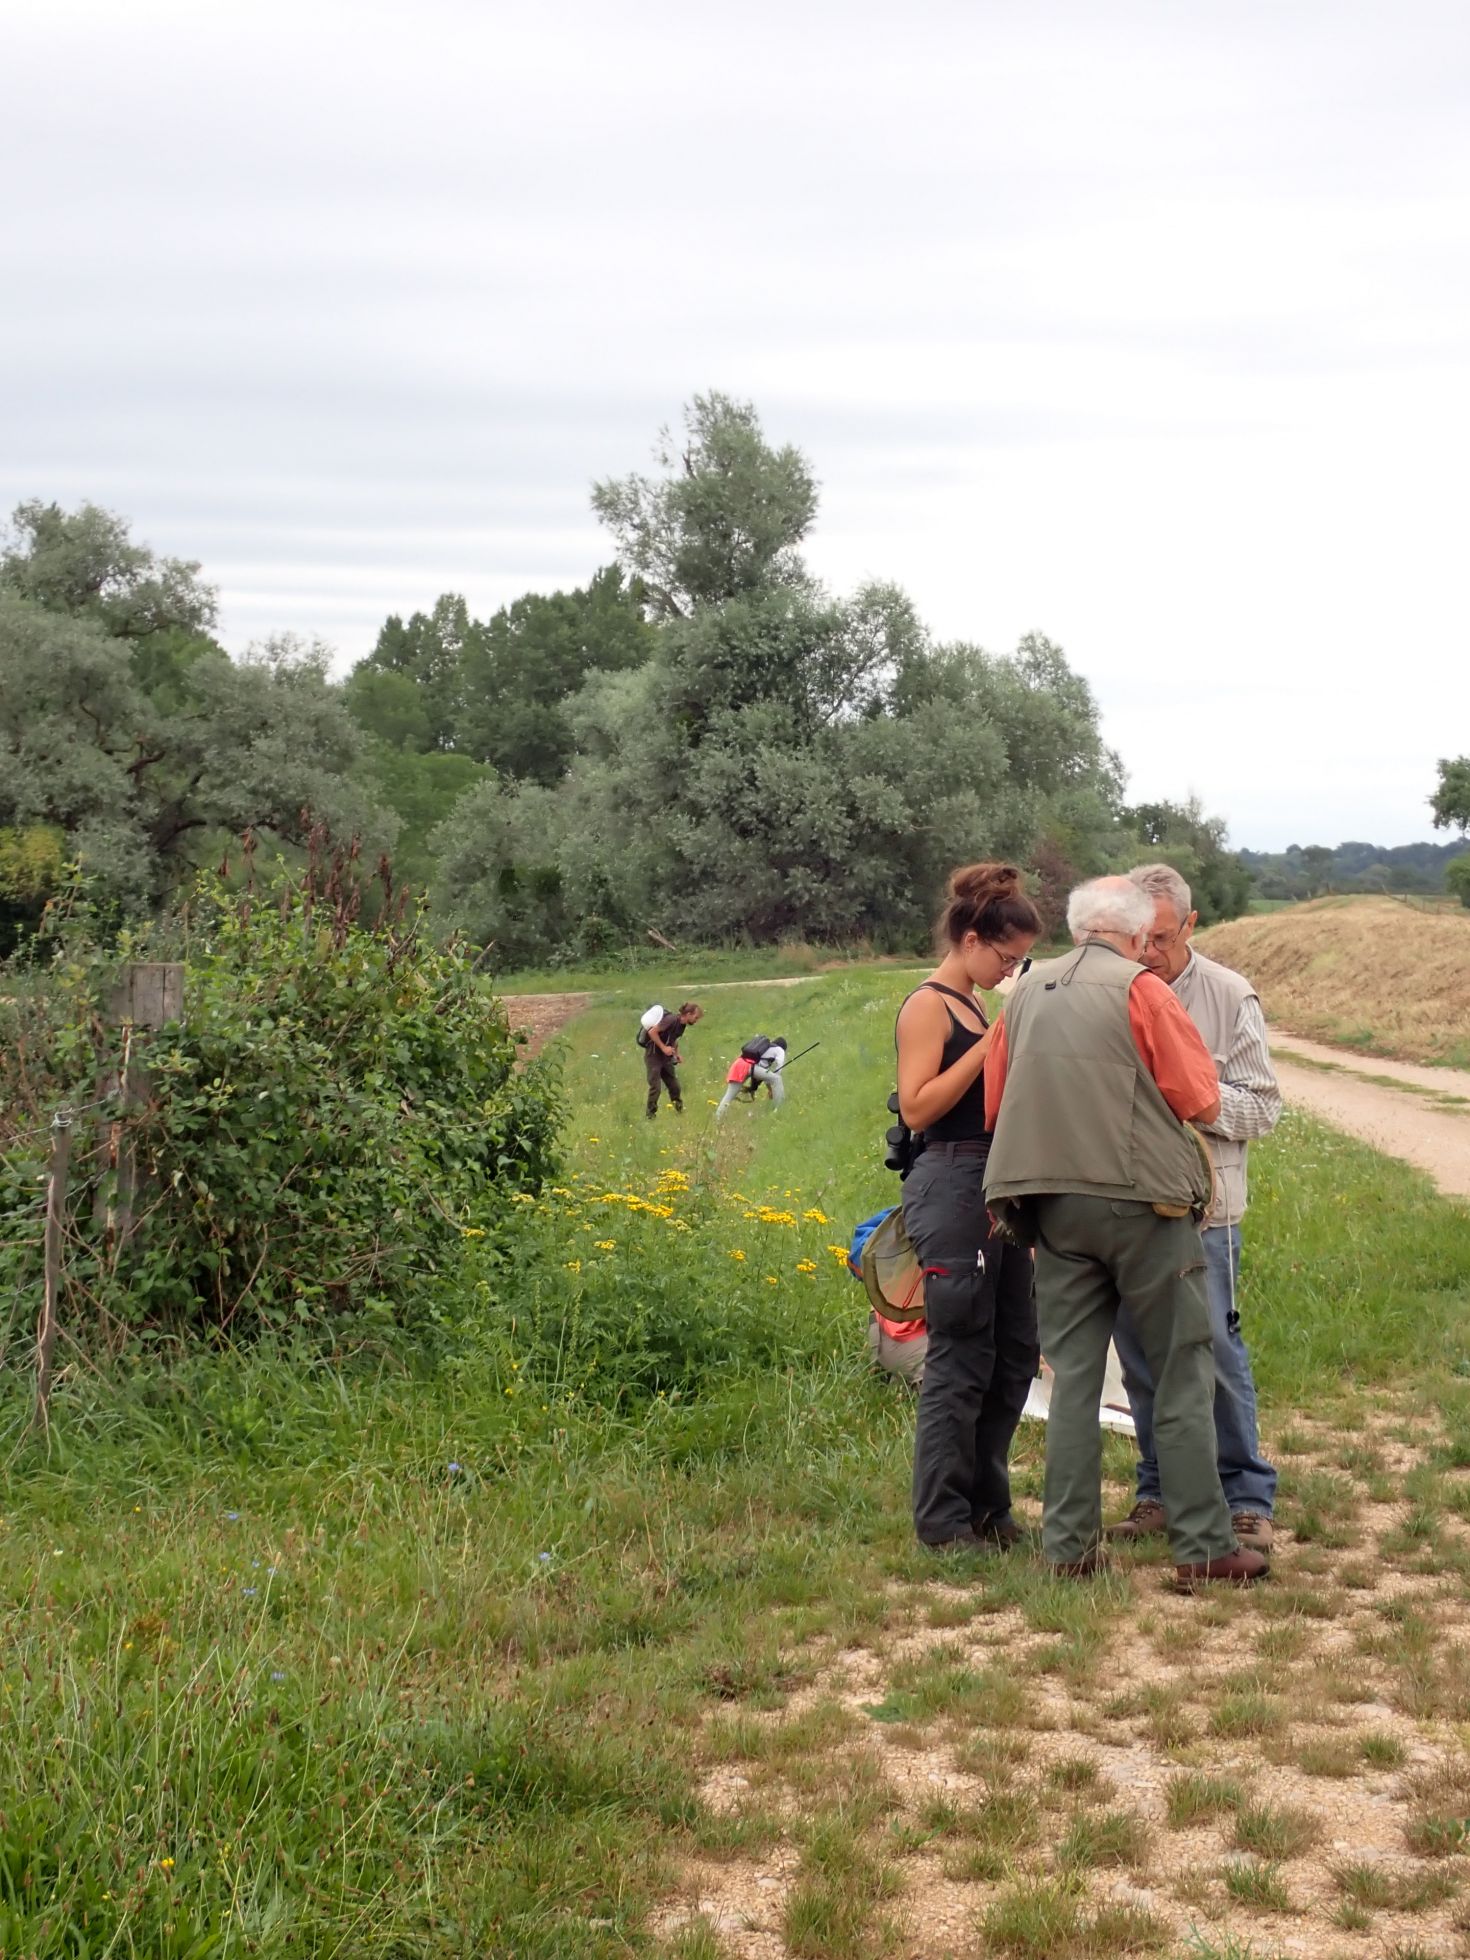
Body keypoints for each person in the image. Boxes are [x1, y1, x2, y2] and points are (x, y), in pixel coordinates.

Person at [984, 876, 1268, 1589]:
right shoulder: (1144, 990)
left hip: (1050, 1206)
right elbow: (1199, 1094)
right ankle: (1203, 1543)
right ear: (1140, 937)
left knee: (1075, 1377)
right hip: (1146, 1207)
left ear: (1078, 930)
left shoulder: (1024, 994)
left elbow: (997, 1101)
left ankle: (1069, 1547)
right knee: (1180, 1368)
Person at [1106, 864, 1282, 1552]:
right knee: (1141, 1356)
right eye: (1136, 937)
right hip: (1125, 1208)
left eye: (1161, 938)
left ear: (1191, 925)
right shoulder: (1107, 991)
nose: (1147, 952)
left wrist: (1194, 1100)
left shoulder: (1228, 995)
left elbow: (1263, 1106)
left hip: (1207, 1214)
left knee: (1212, 1353)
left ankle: (1245, 1495)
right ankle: (1157, 1490)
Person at [895, 862, 1042, 1551]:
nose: (1010, 972)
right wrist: (990, 1045)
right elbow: (920, 1104)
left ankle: (990, 1507)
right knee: (959, 1357)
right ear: (974, 938)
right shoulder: (929, 1005)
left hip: (992, 1187)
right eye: (1006, 958)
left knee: (1014, 1350)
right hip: (950, 1185)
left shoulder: (974, 1002)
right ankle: (943, 1523)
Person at [643, 1002, 702, 1118]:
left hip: (666, 1057)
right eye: (696, 1018)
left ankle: (679, 1111)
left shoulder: (682, 1025)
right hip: (654, 1055)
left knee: (674, 1086)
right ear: (689, 1014)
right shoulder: (671, 1019)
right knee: (655, 1087)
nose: (696, 1021)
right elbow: (652, 1032)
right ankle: (650, 1115)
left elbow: (674, 1039)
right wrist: (664, 1047)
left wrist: (677, 1053)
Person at [714, 1035, 788, 1119]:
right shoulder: (779, 1050)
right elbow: (779, 1068)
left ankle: (717, 1118)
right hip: (749, 1066)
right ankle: (779, 1109)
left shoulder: (765, 1049)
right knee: (777, 1079)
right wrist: (775, 1085)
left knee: (729, 1096)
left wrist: (770, 1089)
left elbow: (765, 1074)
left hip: (738, 1064)